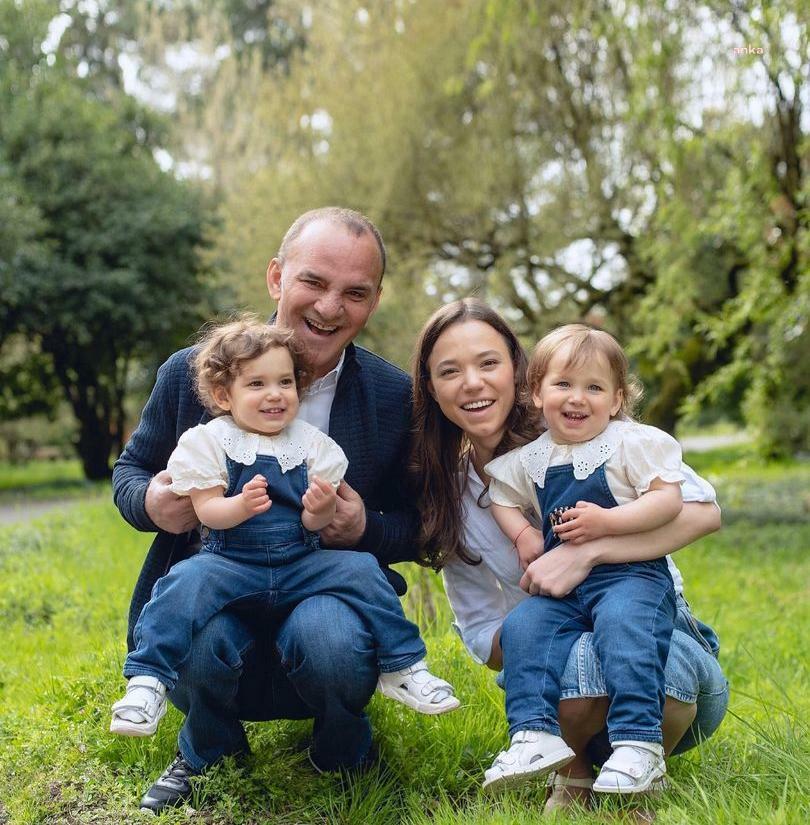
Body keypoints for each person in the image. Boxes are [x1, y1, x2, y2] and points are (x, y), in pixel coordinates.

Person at [112, 208, 427, 813]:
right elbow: (130, 472)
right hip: (218, 574)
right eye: (314, 282)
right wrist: (153, 502)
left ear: (375, 302)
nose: (331, 307)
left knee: (331, 641)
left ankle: (344, 748)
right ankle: (209, 750)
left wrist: (365, 527)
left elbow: (420, 525)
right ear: (277, 277)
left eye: (354, 293)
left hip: (321, 586)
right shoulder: (191, 372)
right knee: (201, 643)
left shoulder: (393, 397)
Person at [409, 298, 728, 810]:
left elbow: (703, 511)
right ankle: (569, 768)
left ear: (519, 372)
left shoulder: (589, 429)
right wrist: (545, 625)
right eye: (450, 371)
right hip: (563, 671)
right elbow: (484, 636)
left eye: (488, 363)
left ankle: (638, 769)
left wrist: (589, 552)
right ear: (430, 386)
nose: (472, 383)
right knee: (545, 641)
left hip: (667, 656)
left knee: (624, 636)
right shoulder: (458, 493)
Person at [110, 318, 457, 739]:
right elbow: (207, 513)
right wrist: (237, 505)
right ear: (224, 395)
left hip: (299, 561)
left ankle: (405, 666)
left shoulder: (309, 443)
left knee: (362, 570)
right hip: (231, 561)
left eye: (285, 383)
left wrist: (321, 509)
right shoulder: (208, 442)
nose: (274, 394)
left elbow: (315, 525)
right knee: (182, 582)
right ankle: (147, 682)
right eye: (256, 385)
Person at [484, 323, 686, 793]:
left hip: (629, 576)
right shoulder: (533, 457)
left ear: (616, 400)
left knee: (623, 626)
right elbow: (501, 496)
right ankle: (533, 734)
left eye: (594, 387)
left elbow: (667, 499)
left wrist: (607, 523)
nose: (578, 398)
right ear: (537, 392)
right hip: (565, 586)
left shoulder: (629, 442)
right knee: (523, 627)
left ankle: (639, 743)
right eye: (563, 384)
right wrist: (521, 538)